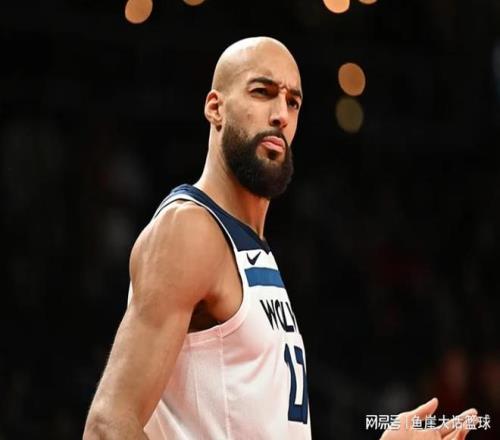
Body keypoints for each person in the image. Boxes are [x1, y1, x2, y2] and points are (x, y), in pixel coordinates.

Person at [83, 37, 477, 439]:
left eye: (293, 102)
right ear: (216, 107)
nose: (280, 115)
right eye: (262, 92)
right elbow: (107, 425)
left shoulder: (251, 248)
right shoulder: (190, 230)